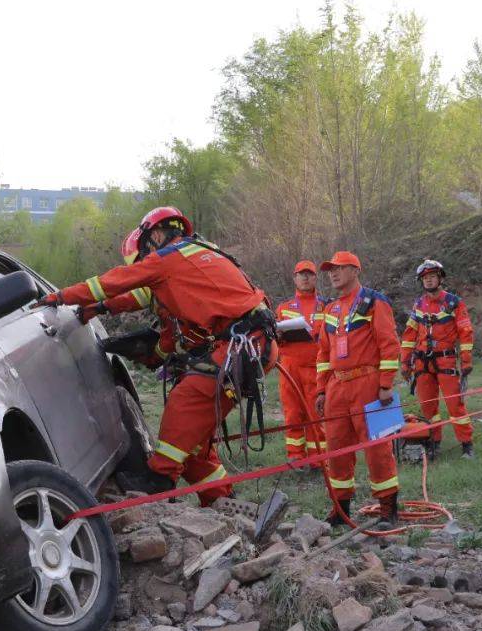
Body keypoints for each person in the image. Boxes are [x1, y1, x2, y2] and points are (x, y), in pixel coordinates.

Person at [34, 206, 276, 506]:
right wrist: (104, 310)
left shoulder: (167, 258)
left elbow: (115, 282)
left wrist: (63, 296)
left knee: (184, 401)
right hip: (251, 342)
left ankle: (160, 478)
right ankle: (221, 501)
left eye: (144, 258)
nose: (145, 264)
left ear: (156, 235)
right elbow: (144, 300)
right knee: (192, 445)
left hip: (242, 343)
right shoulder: (196, 254)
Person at [314, 251, 402, 530]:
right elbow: (323, 353)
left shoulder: (374, 302)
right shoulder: (329, 310)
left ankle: (388, 507)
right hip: (337, 387)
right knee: (336, 448)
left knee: (377, 447)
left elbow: (389, 344)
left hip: (367, 384)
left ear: (355, 270)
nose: (333, 273)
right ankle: (341, 509)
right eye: (330, 270)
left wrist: (386, 383)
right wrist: (321, 390)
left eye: (339, 268)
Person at [400, 259, 476, 459]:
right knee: (428, 406)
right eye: (425, 278)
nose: (429, 280)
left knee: (455, 405)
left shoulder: (453, 303)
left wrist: (466, 360)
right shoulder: (418, 305)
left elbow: (465, 331)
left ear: (440, 278)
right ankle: (434, 442)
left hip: (446, 361)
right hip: (422, 364)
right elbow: (409, 334)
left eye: (432, 277)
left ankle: (467, 446)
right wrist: (404, 362)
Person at [274, 261, 328, 461]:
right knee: (293, 415)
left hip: (316, 368)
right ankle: (296, 458)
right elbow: (274, 336)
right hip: (290, 368)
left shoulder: (327, 306)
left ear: (315, 278)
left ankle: (318, 460)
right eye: (301, 274)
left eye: (309, 274)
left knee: (317, 415)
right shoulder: (284, 307)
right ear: (295, 278)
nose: (305, 278)